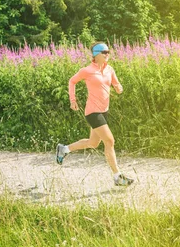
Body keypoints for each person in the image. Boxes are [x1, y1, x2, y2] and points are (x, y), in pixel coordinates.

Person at [55, 42, 134, 186]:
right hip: (92, 112)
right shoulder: (87, 70)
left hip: (104, 111)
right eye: (104, 52)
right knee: (109, 141)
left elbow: (116, 84)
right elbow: (72, 81)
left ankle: (64, 149)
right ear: (96, 55)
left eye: (108, 52)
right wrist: (73, 100)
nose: (107, 54)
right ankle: (118, 176)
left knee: (93, 143)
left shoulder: (110, 69)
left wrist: (118, 87)